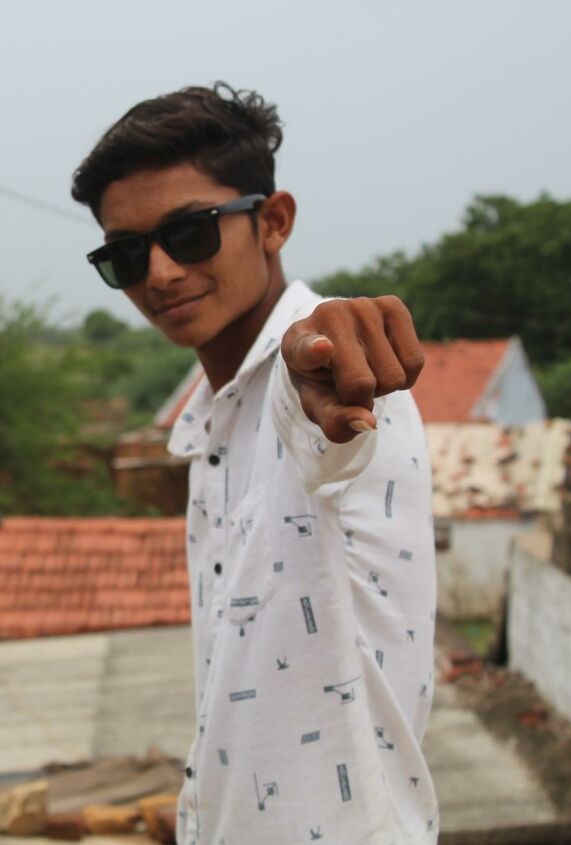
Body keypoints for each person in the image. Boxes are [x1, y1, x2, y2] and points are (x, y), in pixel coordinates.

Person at [72, 82, 438, 845]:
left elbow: (322, 415)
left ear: (273, 221)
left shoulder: (322, 388)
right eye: (127, 254)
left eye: (190, 233)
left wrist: (326, 356)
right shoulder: (212, 418)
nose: (160, 273)